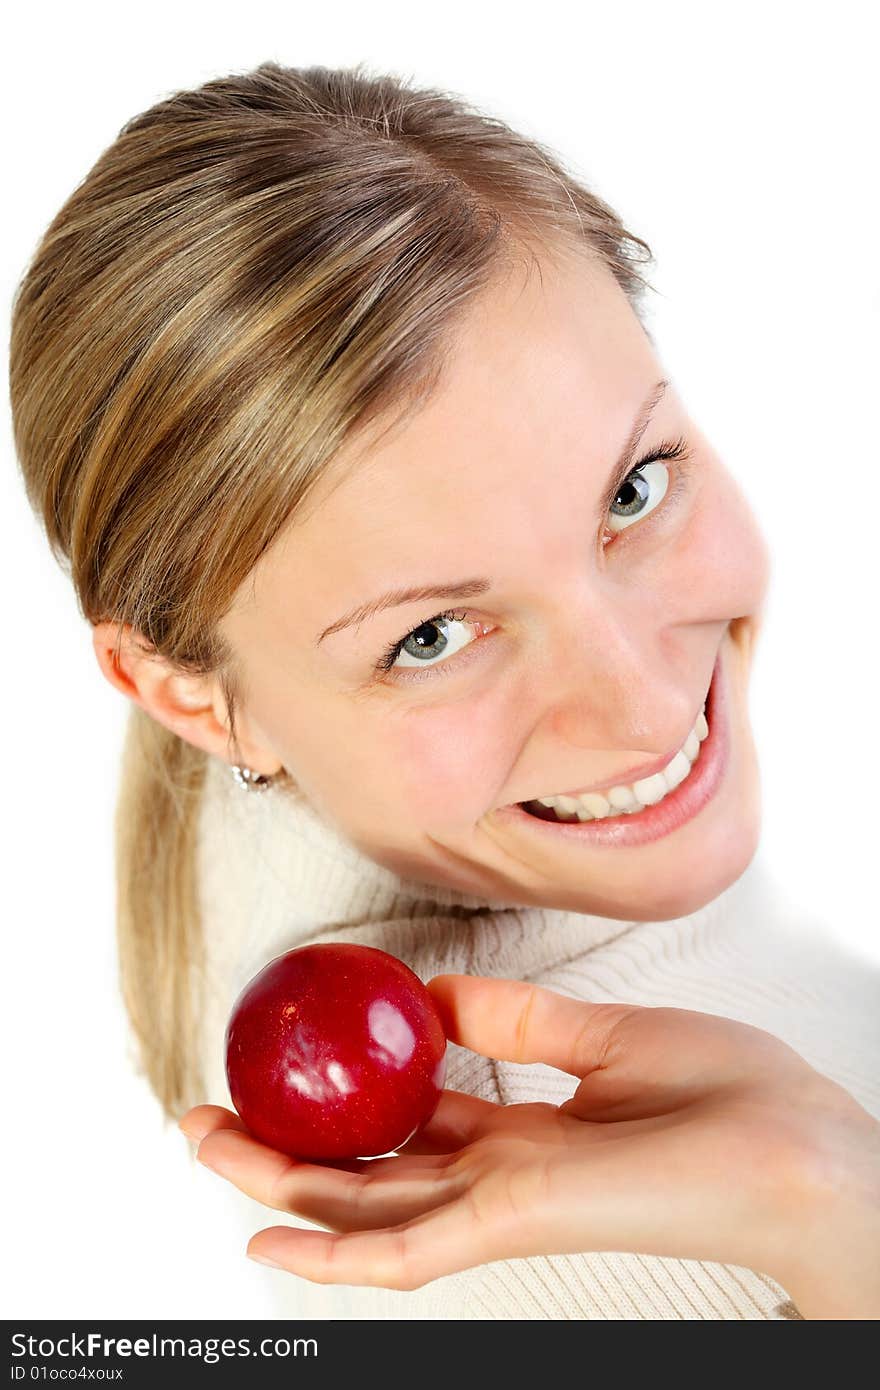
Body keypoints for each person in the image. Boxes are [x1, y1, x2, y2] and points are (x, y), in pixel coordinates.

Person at [9, 60, 879, 1322]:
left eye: (632, 490)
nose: (642, 708)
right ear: (195, 699)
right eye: (429, 635)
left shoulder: (283, 759)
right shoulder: (609, 1235)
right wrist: (839, 1218)